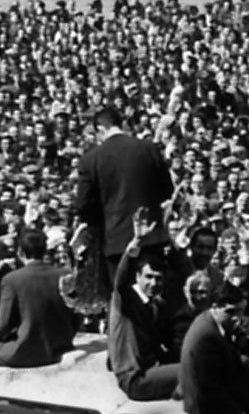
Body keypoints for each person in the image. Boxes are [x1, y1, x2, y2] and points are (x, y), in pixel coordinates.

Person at [74, 105, 175, 313]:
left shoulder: (90, 159)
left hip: (115, 243)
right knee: (155, 302)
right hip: (152, 239)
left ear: (100, 129)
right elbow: (168, 190)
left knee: (124, 305)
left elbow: (83, 206)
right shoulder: (148, 148)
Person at [0, 227, 76, 370]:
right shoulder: (64, 274)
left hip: (27, 351)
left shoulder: (12, 279)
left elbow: (2, 324)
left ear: (20, 252)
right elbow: (76, 312)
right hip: (61, 344)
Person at [179, 276, 249, 414]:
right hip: (209, 413)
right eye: (230, 312)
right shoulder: (206, 337)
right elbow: (210, 389)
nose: (237, 318)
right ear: (215, 307)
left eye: (240, 312)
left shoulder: (210, 321)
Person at [108, 249, 181, 402]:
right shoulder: (125, 299)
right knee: (192, 369)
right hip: (134, 379)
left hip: (151, 371)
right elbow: (119, 280)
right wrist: (132, 247)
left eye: (158, 279)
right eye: (148, 277)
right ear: (137, 276)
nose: (153, 283)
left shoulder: (157, 306)